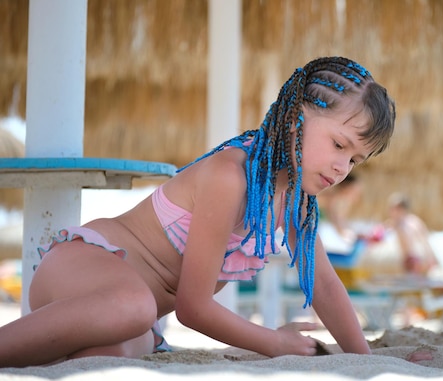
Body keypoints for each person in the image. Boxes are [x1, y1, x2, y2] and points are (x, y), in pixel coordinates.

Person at [0, 56, 396, 367]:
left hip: (131, 317)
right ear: (294, 121)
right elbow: (193, 308)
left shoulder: (295, 201)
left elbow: (325, 285)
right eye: (340, 145)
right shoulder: (230, 175)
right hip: (83, 268)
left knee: (125, 349)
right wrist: (273, 341)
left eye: (356, 161)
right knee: (133, 308)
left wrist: (368, 361)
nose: (343, 168)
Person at [386, 192, 438, 277]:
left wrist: (430, 259)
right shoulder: (394, 224)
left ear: (402, 209)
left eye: (395, 208)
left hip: (416, 261)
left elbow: (425, 241)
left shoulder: (411, 223)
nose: (392, 211)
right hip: (411, 262)